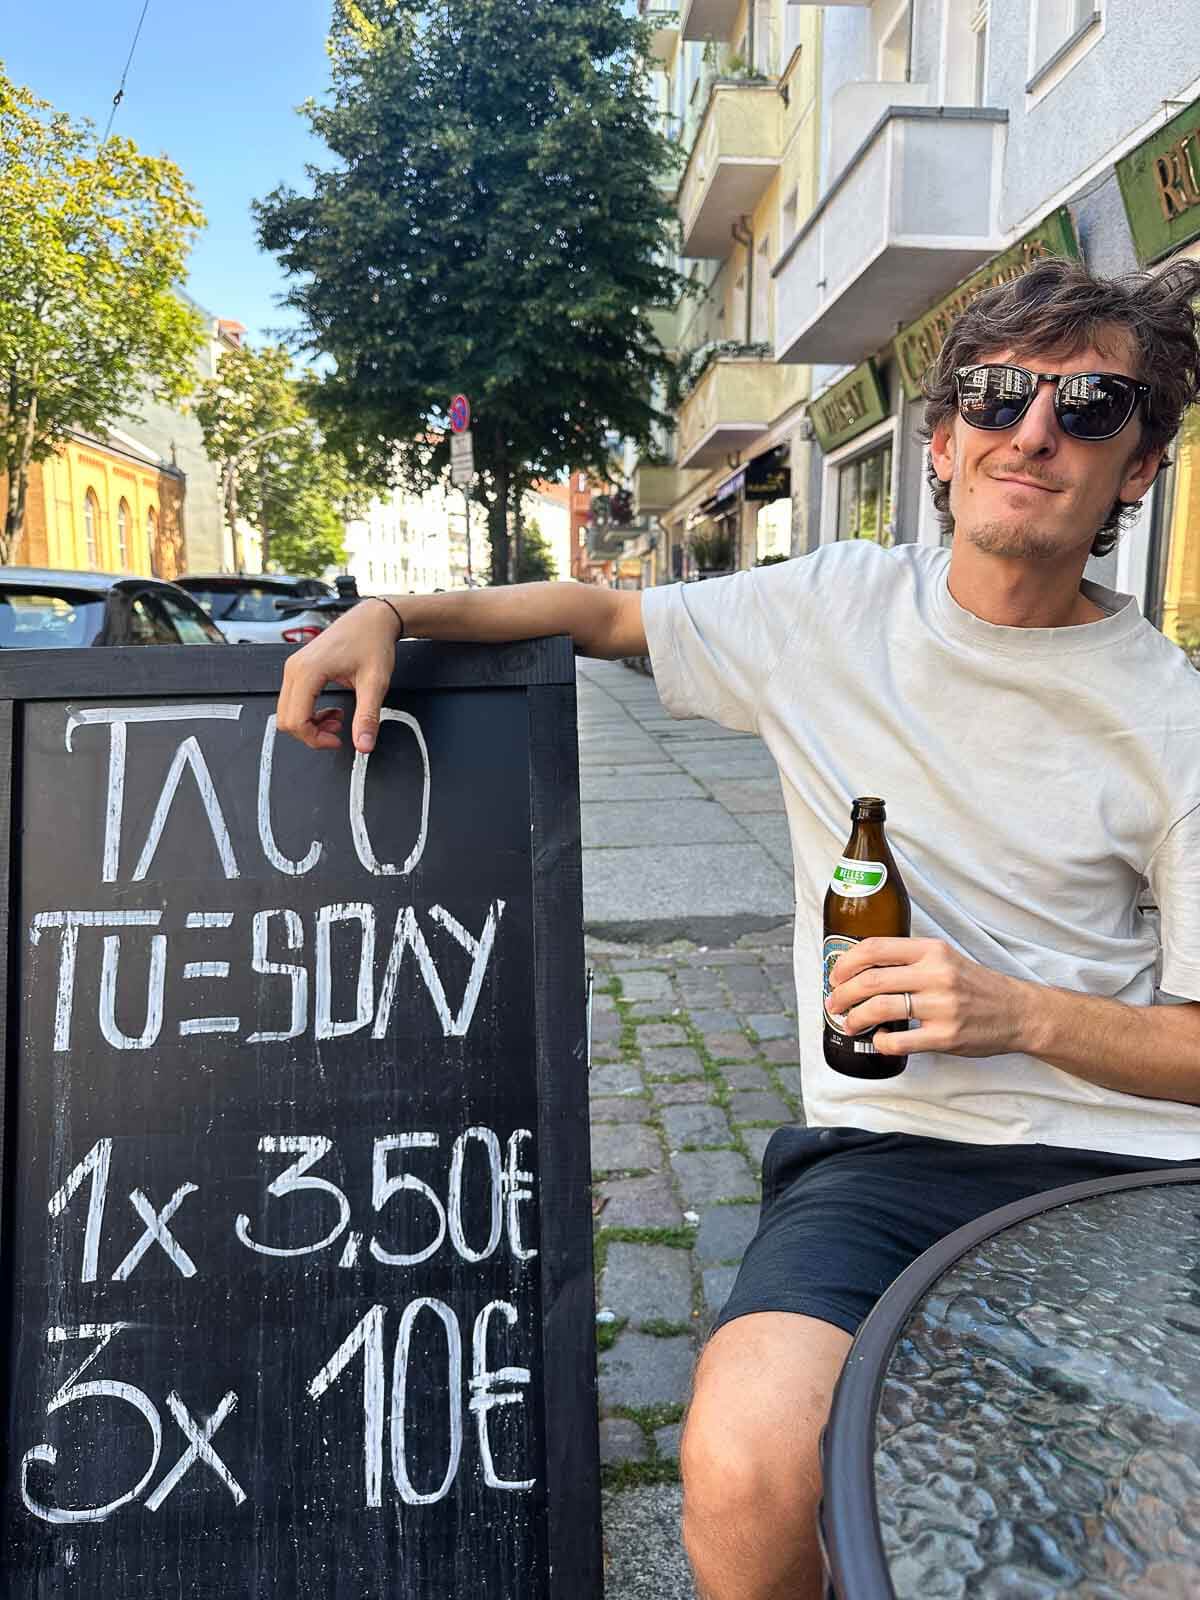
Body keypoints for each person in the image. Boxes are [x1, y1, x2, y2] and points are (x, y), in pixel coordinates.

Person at [277, 257, 1200, 1600]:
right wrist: (392, 612)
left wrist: (1016, 1013)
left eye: (1091, 405)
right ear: (940, 442)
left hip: (1129, 1174)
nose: (1035, 430)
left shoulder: (1174, 715)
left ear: (1138, 466)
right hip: (889, 1153)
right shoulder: (824, 612)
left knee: (1152, 1544)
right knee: (744, 1465)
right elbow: (599, 612)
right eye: (998, 396)